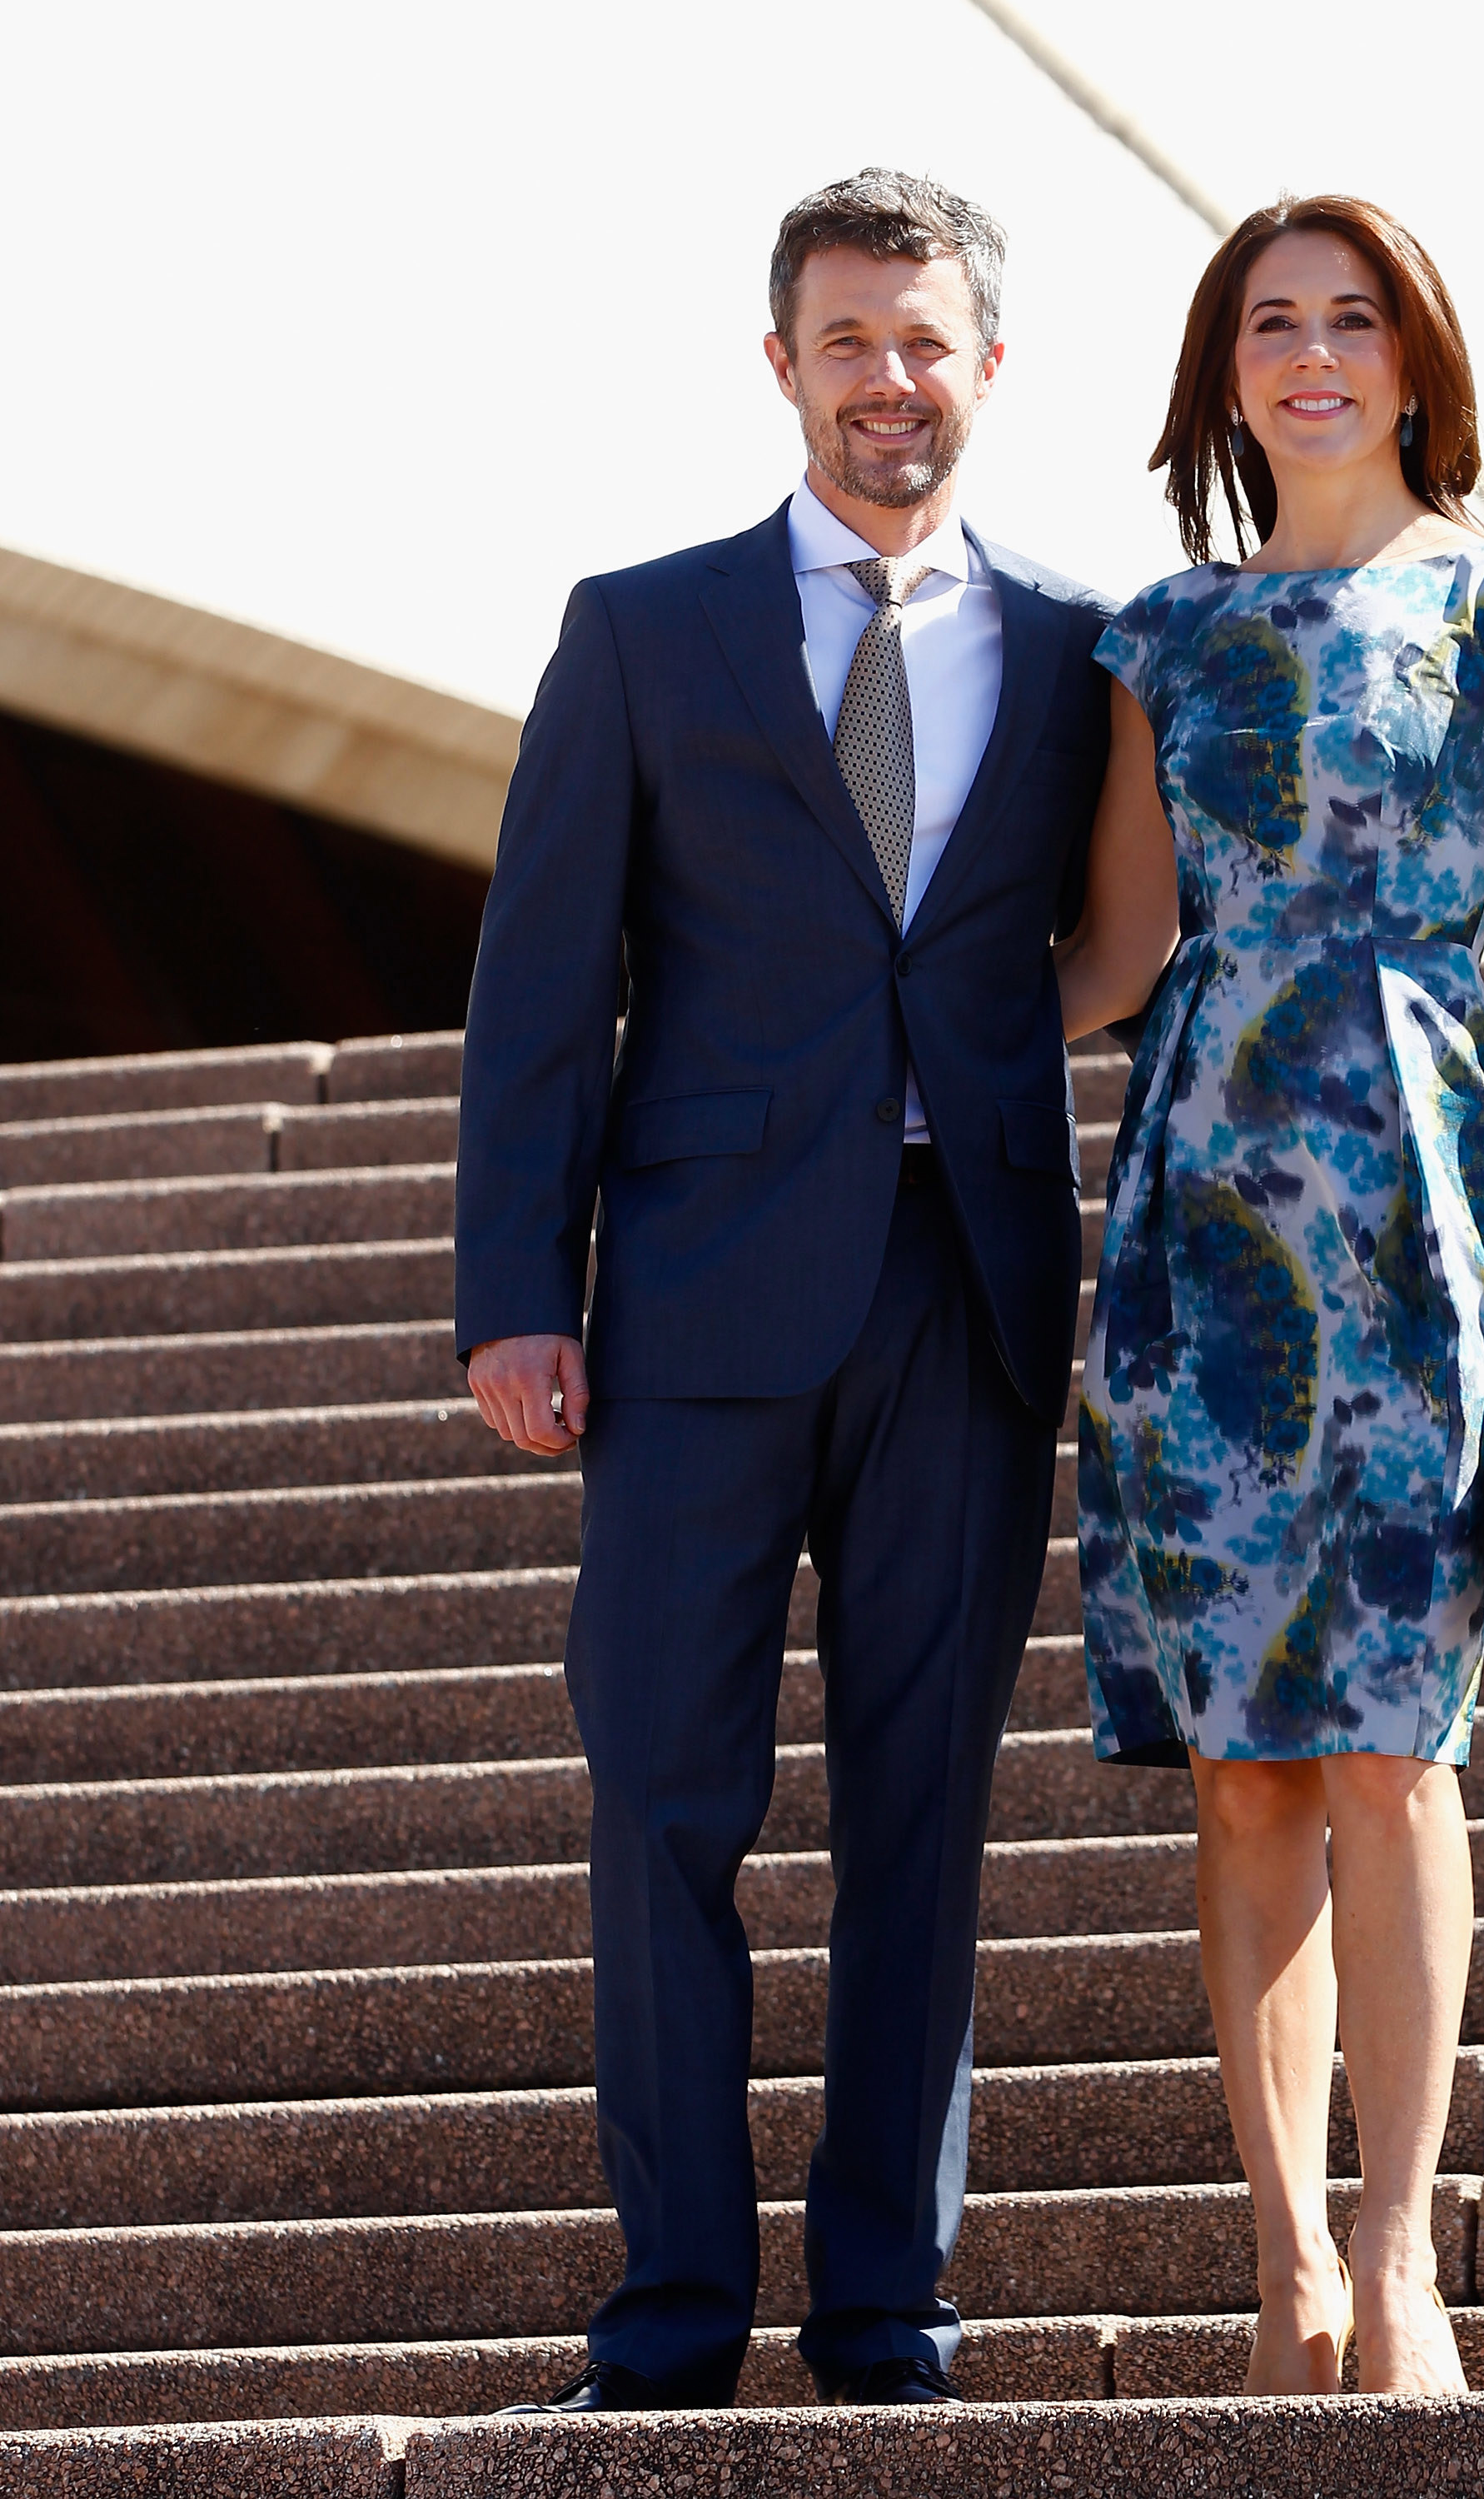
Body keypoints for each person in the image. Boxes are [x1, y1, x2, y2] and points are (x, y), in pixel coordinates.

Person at [455, 167, 1113, 2412]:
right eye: (848, 342)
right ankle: (669, 2310)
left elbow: (1105, 941)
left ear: (987, 370)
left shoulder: (1081, 646)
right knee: (662, 1793)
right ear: (783, 366)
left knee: (925, 1813)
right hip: (700, 1305)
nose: (888, 383)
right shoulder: (643, 633)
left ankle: (885, 2304)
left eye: (926, 343)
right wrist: (514, 1293)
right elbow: (543, 982)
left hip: (968, 1293)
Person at [1053, 193, 1484, 2398]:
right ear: (1223, 373)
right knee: (1242, 1775)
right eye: (1269, 322)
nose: (1310, 352)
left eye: (1349, 318)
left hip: (1422, 1205)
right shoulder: (1161, 638)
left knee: (1390, 1747)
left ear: (1413, 355)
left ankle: (1403, 2261)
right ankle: (1281, 2259)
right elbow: (1109, 956)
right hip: (1197, 1220)